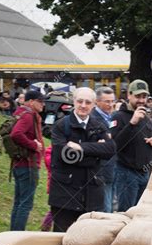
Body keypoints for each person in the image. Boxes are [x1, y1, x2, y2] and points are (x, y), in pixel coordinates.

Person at [49, 87, 116, 232]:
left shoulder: (99, 126)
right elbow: (65, 155)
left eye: (88, 102)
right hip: (65, 195)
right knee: (61, 238)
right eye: (80, 101)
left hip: (92, 195)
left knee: (88, 239)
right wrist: (95, 153)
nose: (83, 105)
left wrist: (81, 148)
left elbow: (110, 149)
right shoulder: (61, 126)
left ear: (93, 105)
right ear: (74, 102)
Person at [112, 80, 152, 211]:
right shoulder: (119, 116)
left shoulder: (146, 117)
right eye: (137, 96)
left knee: (140, 213)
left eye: (144, 97)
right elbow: (115, 145)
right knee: (126, 213)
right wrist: (132, 123)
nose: (141, 100)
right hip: (126, 173)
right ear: (129, 95)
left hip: (144, 173)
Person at [9, 90, 45, 230]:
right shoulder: (29, 115)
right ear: (31, 101)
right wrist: (34, 145)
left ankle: (11, 238)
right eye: (40, 101)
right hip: (28, 165)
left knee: (19, 203)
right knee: (25, 204)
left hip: (19, 164)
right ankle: (17, 239)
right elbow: (16, 134)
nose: (43, 104)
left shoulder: (20, 112)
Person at [91, 87, 117, 212]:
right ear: (97, 101)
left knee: (110, 205)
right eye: (107, 101)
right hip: (100, 169)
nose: (111, 105)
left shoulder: (112, 117)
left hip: (113, 168)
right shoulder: (92, 119)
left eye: (112, 101)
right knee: (105, 208)